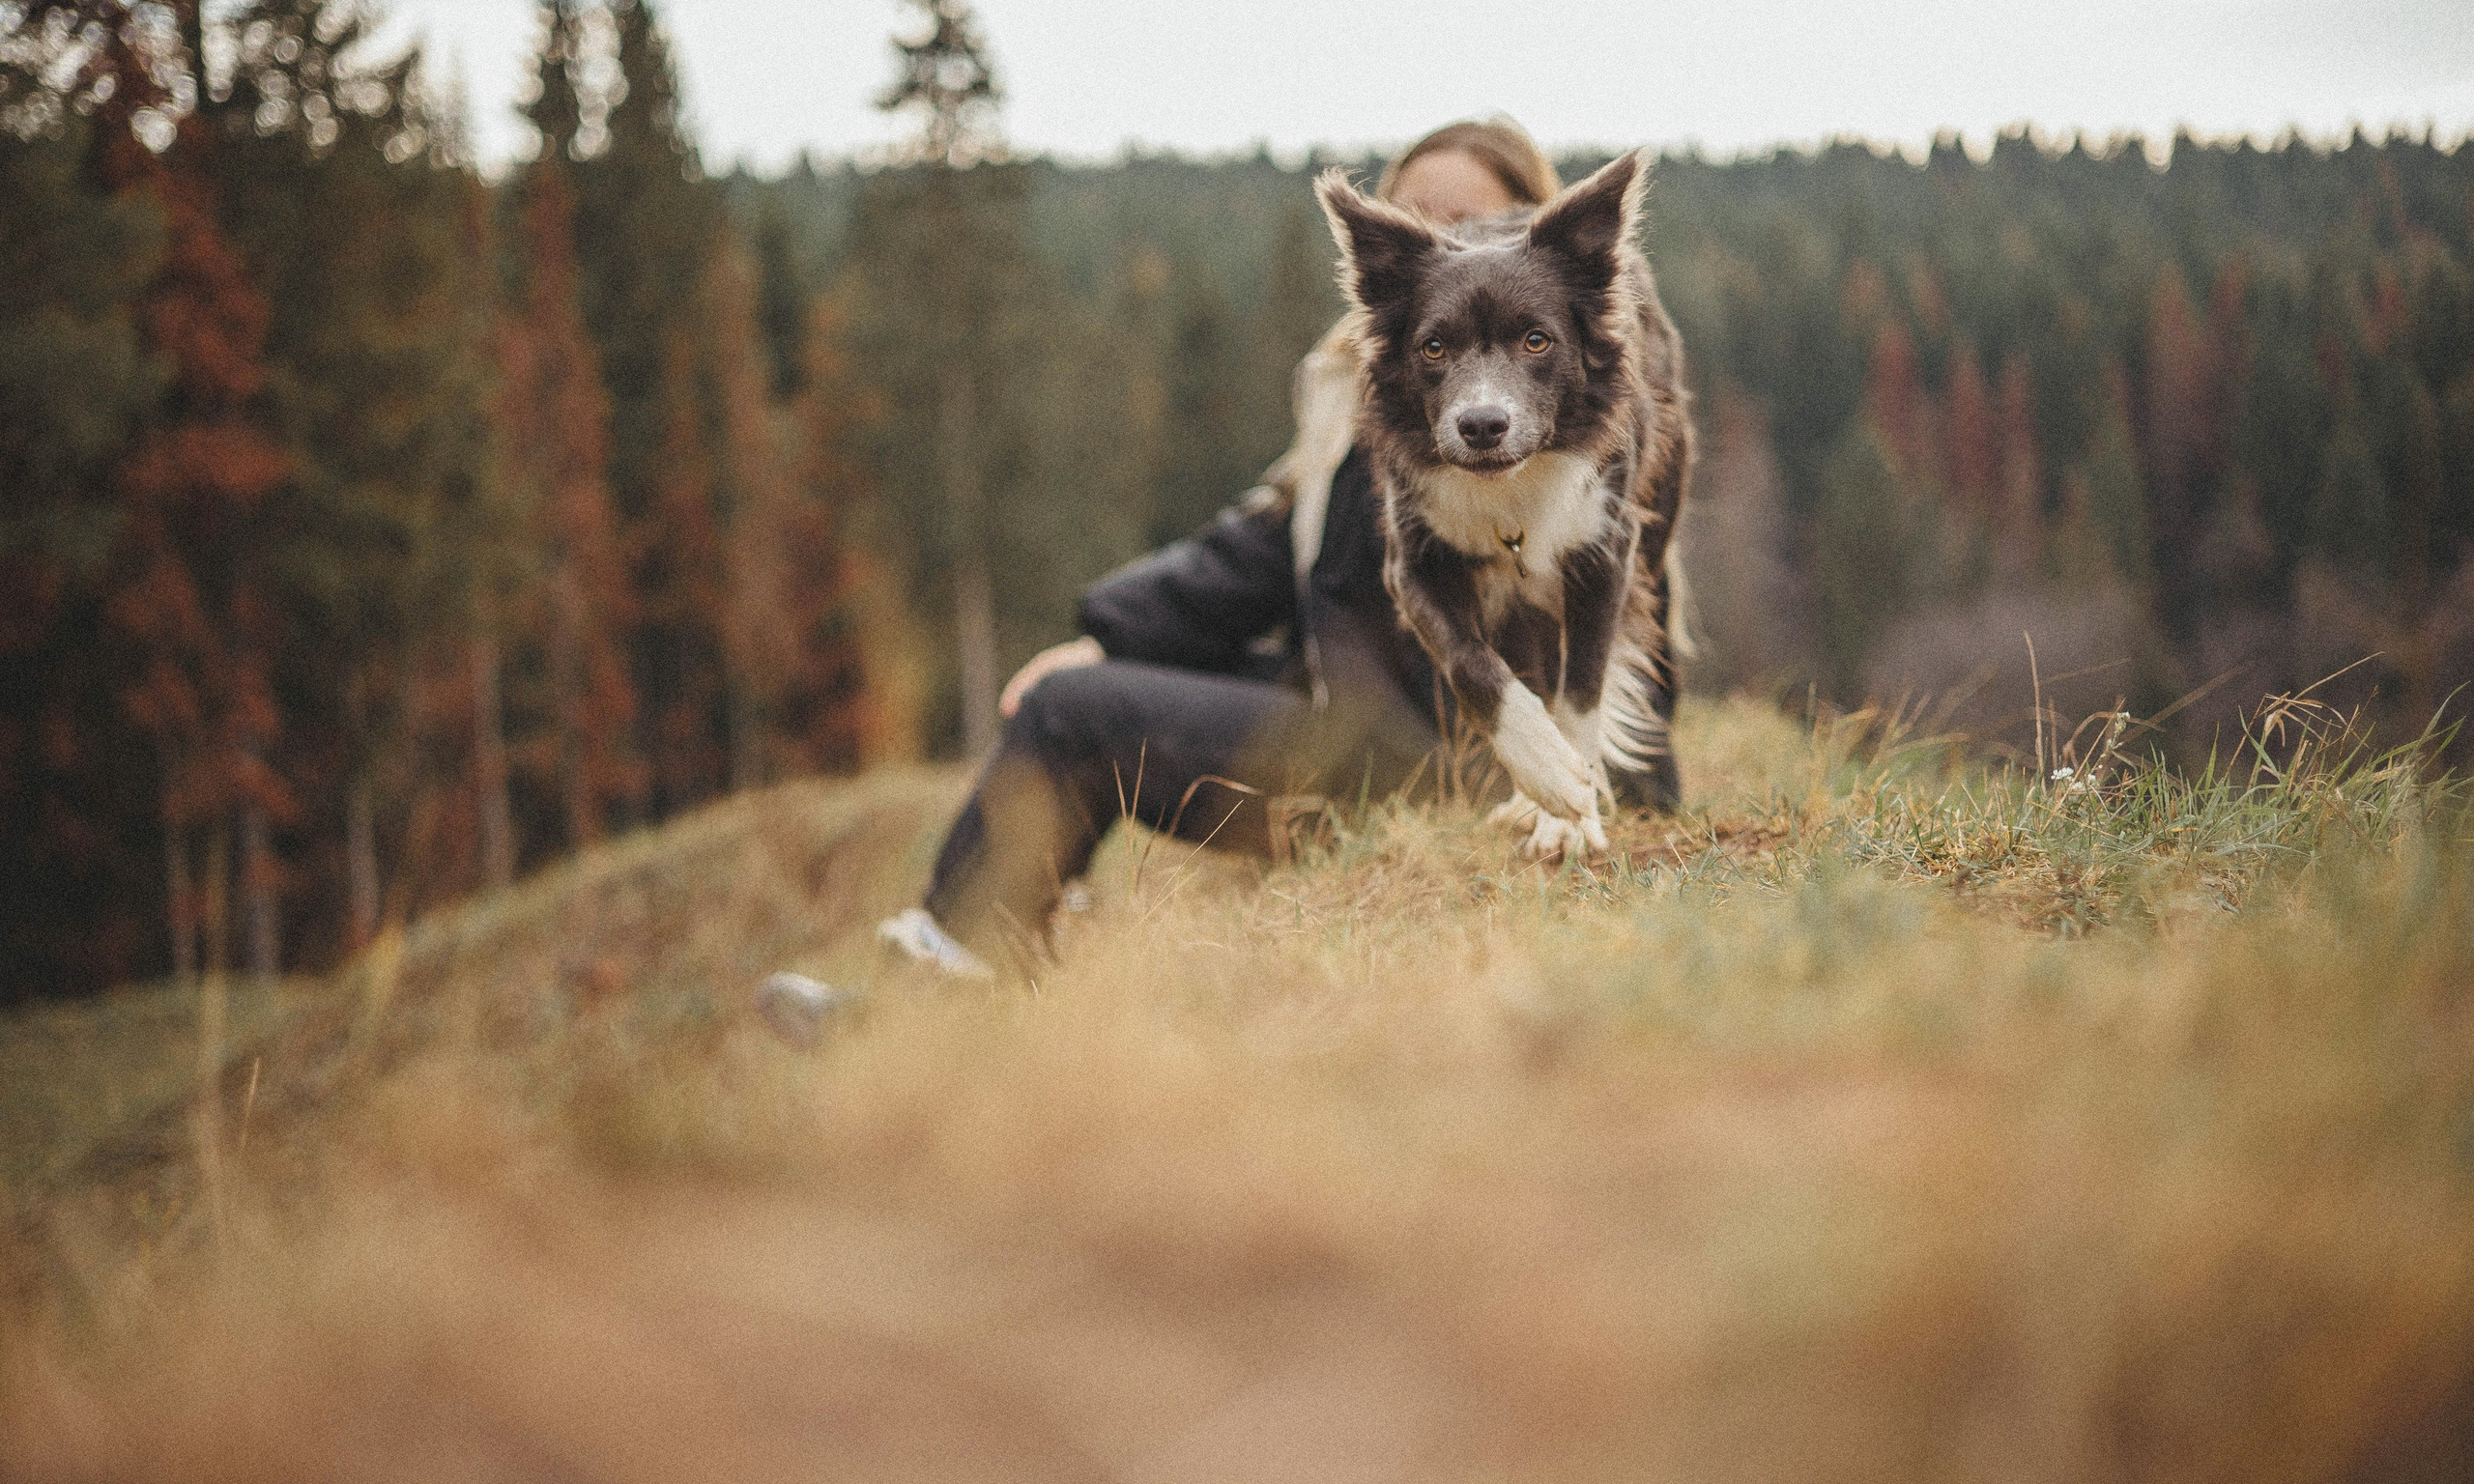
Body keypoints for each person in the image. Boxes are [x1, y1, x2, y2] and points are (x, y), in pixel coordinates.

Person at [877, 119, 1581, 978]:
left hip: (1438, 760)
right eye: (1413, 216)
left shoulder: (1538, 417)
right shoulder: (1366, 383)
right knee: (1074, 696)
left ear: (1533, 237)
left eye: (1468, 221)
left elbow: (1608, 593)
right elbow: (1267, 546)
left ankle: (951, 974)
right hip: (1352, 714)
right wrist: (1112, 637)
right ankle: (970, 954)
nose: (1437, 239)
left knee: (1072, 715)